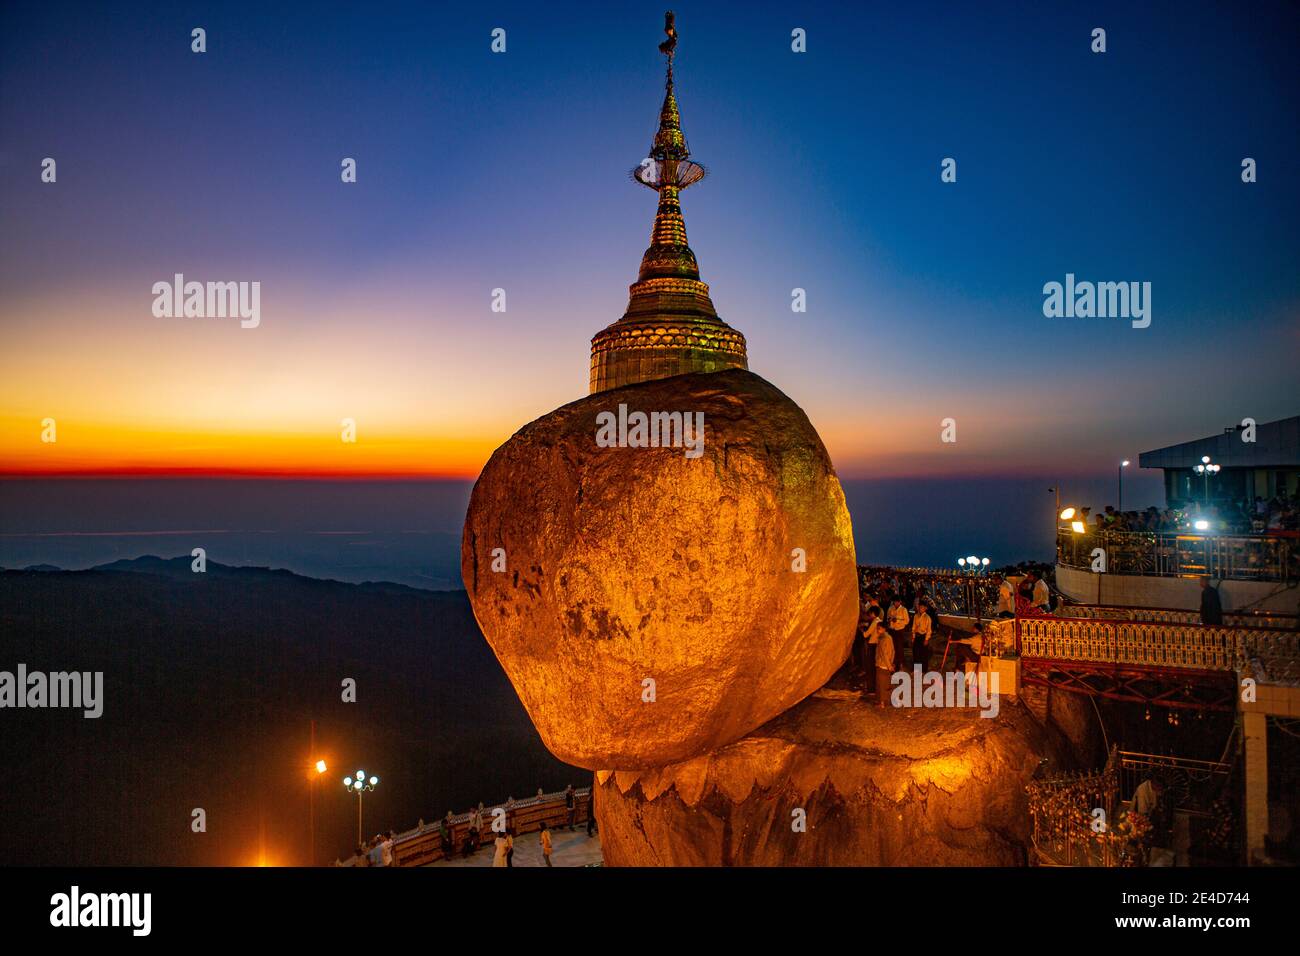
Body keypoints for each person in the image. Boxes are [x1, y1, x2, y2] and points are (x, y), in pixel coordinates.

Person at [874, 620, 895, 708]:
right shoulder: (889, 637)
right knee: (886, 684)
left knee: (881, 685)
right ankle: (886, 701)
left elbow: (883, 654)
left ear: (883, 629)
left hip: (882, 665)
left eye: (879, 629)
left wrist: (889, 666)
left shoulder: (882, 639)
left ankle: (881, 703)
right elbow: (893, 651)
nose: (877, 631)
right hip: (887, 664)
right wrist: (891, 663)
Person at [886, 598, 910, 669]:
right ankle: (894, 662)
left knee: (899, 647)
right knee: (893, 646)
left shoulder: (903, 610)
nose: (896, 603)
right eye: (894, 602)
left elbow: (907, 621)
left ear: (900, 602)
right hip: (892, 630)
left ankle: (901, 663)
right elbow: (887, 618)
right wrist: (891, 620)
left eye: (897, 602)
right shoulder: (890, 608)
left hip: (900, 630)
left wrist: (898, 621)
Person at [912, 600, 934, 672]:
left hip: (923, 636)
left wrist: (926, 639)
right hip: (917, 636)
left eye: (922, 607)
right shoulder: (916, 616)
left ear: (925, 608)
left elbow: (929, 630)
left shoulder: (927, 618)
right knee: (916, 653)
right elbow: (914, 627)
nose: (920, 608)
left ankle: (924, 670)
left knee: (923, 654)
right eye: (919, 607)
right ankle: (917, 669)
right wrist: (913, 636)